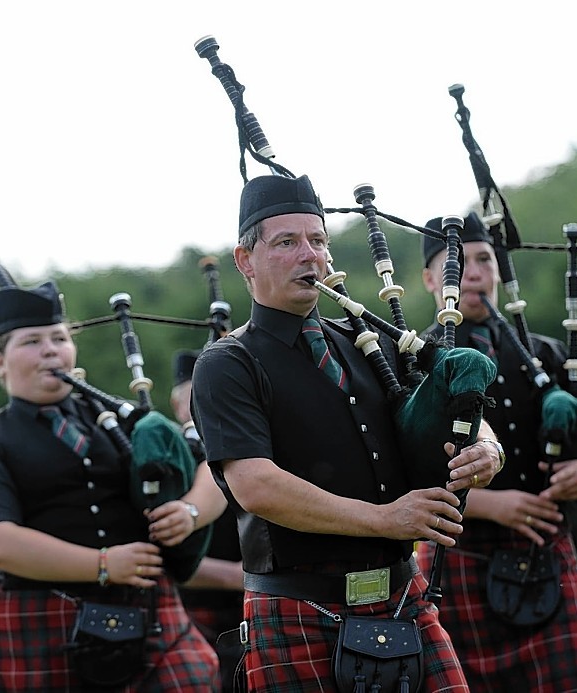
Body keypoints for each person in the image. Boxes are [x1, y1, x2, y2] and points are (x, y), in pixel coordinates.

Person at [190, 174, 504, 692]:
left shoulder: (367, 342)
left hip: (403, 598)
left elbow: (443, 396)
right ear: (245, 261)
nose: (308, 255)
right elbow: (255, 485)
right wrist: (385, 519)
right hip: (298, 605)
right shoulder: (228, 364)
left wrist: (487, 447)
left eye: (317, 241)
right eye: (286, 242)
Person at [416, 211, 577, 691]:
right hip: (458, 560)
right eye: (457, 262)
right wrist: (492, 504)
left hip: (548, 557)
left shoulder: (542, 354)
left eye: (484, 259)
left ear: (499, 271)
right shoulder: (412, 358)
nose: (474, 271)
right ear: (428, 279)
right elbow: (398, 472)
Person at [0, 280, 221, 691]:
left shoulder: (120, 419)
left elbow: (214, 471)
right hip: (39, 616)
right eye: (32, 341)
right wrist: (103, 565)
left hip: (147, 610)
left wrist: (190, 511)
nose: (50, 350)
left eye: (60, 338)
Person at [169, 350, 245, 690]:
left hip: (259, 610)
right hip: (194, 617)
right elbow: (155, 557)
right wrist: (239, 576)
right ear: (176, 403)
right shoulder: (165, 460)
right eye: (195, 393)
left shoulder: (258, 449)